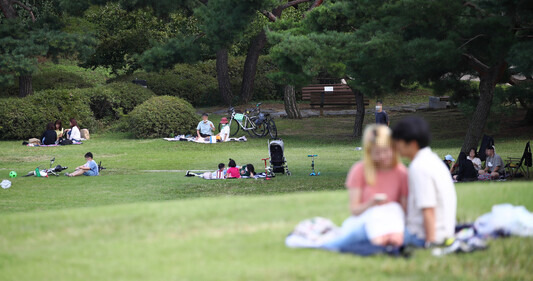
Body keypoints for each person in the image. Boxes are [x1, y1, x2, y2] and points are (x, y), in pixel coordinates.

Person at [321, 125, 408, 252]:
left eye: (386, 151)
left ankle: (387, 243)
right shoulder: (359, 170)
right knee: (372, 218)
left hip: (392, 223)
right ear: (369, 152)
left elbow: (404, 211)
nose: (383, 156)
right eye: (377, 153)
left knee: (394, 209)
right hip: (364, 221)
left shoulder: (401, 173)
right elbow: (354, 210)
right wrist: (371, 203)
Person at [392, 116, 457, 248]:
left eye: (398, 141)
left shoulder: (419, 167)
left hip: (422, 236)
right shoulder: (432, 160)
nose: (395, 145)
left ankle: (337, 241)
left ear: (412, 143)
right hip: (445, 232)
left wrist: (431, 243)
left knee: (368, 230)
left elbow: (428, 208)